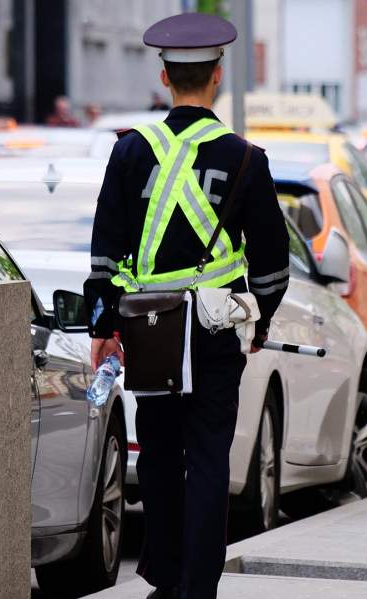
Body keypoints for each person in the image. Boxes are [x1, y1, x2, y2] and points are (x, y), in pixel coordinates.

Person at [83, 13, 289, 599]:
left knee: (159, 455)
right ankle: (198, 588)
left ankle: (165, 580)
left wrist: (104, 325)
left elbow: (105, 252)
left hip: (149, 329)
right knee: (206, 460)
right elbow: (273, 266)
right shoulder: (245, 159)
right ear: (217, 77)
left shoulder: (129, 153)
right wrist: (259, 322)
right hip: (215, 333)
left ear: (165, 76)